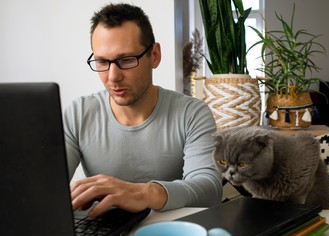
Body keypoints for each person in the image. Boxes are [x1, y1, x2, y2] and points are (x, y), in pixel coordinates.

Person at [64, 3, 222, 218]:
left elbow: (209, 190)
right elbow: (46, 187)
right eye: (102, 61)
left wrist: (146, 193)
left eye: (126, 60)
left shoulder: (192, 113)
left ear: (154, 55)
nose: (112, 77)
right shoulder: (78, 113)